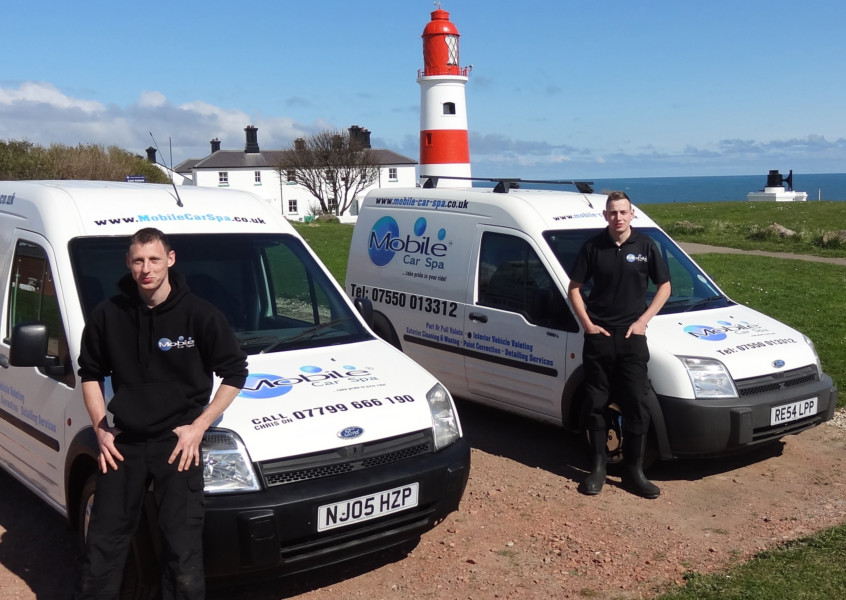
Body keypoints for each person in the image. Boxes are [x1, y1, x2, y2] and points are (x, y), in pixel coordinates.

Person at [74, 228, 248, 599]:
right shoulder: (108, 315)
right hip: (125, 445)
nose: (146, 269)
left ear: (170, 259)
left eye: (154, 259)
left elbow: (235, 372)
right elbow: (89, 373)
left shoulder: (200, 314)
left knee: (182, 552)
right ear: (128, 263)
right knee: (103, 547)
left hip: (178, 444)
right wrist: (101, 428)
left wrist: (199, 427)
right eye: (138, 261)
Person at [567, 191, 671, 499]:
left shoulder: (646, 246)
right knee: (595, 403)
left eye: (623, 212)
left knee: (636, 403)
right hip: (599, 337)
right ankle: (597, 468)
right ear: (605, 216)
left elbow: (664, 286)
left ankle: (634, 472)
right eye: (612, 213)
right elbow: (575, 288)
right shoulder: (593, 247)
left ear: (632, 214)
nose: (618, 218)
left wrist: (643, 322)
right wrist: (588, 325)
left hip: (632, 338)